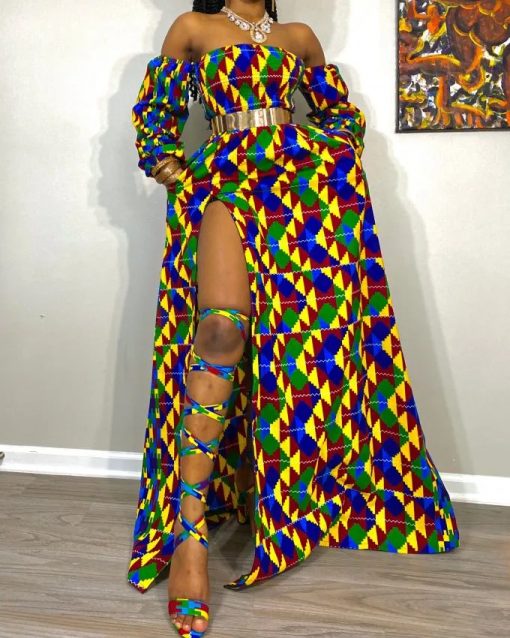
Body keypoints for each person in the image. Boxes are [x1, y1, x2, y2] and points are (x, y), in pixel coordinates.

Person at [127, 1, 461, 636]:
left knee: (301, 347)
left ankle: (290, 498)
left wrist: (330, 158)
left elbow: (339, 118)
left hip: (300, 193)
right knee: (219, 331)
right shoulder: (192, 30)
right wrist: (174, 170)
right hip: (225, 177)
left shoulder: (299, 36)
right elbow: (156, 117)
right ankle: (190, 537)